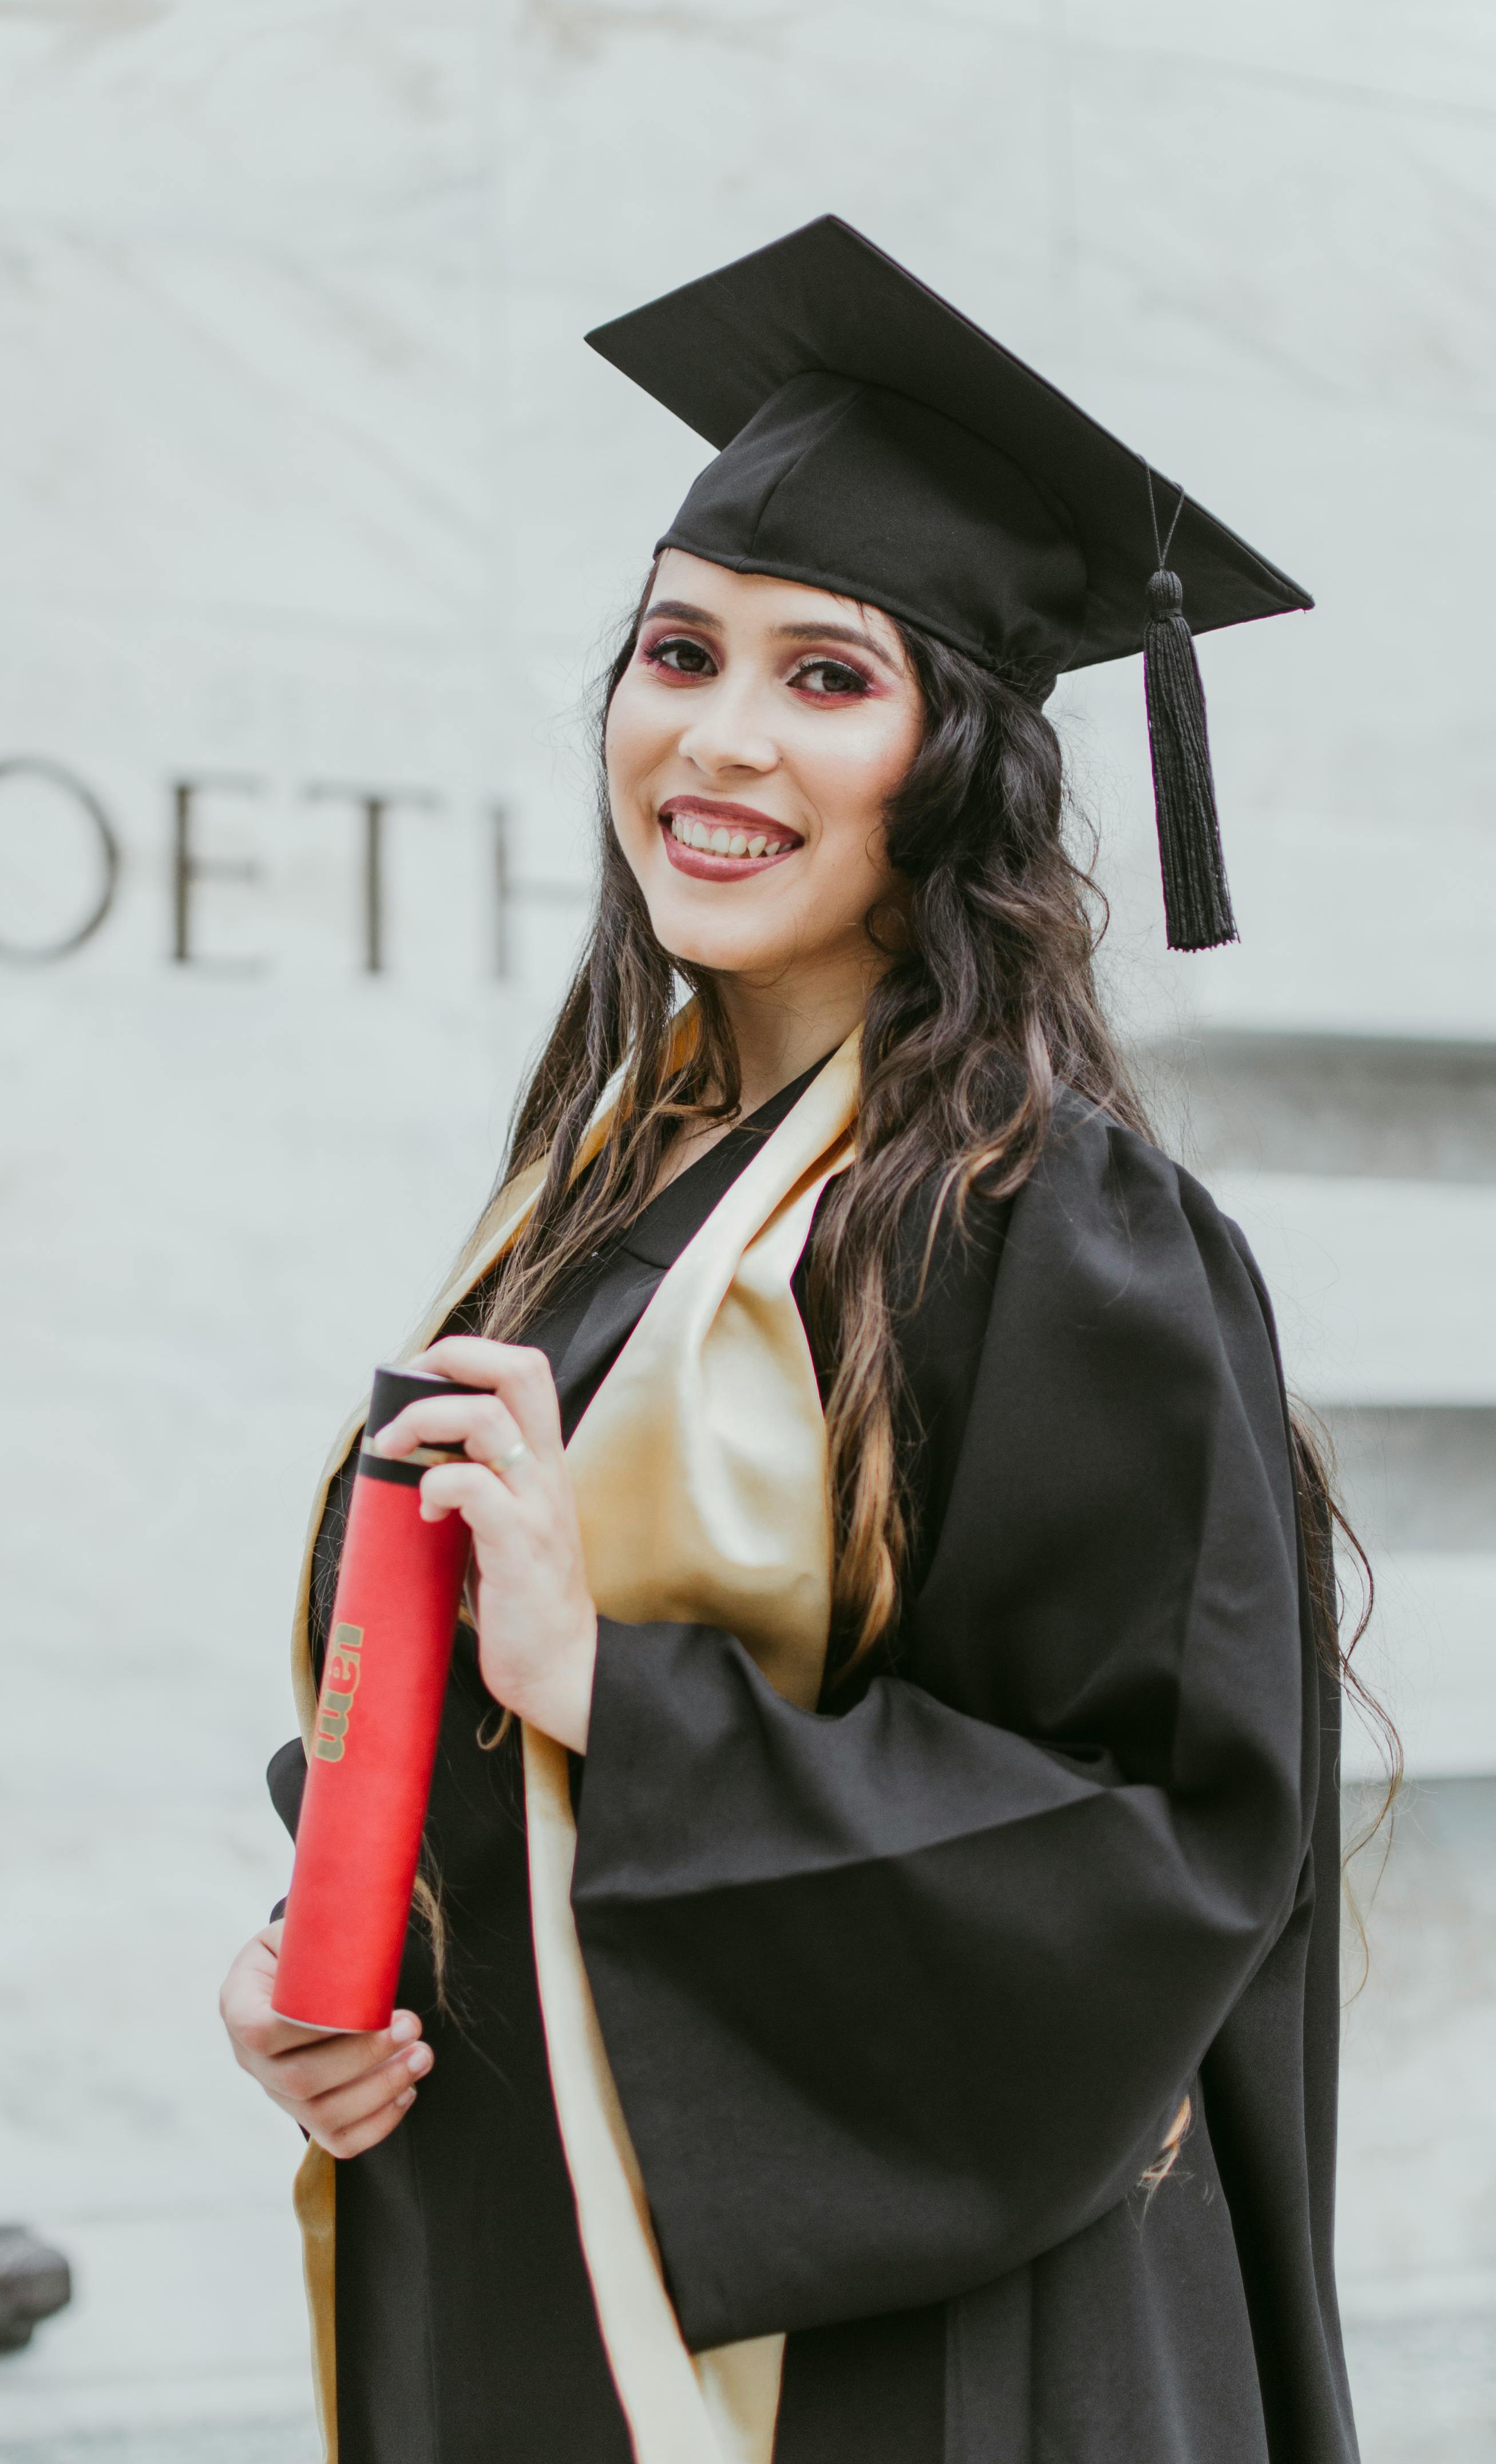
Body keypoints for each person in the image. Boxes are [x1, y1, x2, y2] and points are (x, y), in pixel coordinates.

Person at [220, 218, 1375, 2464]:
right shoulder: (606, 1197)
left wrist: (612, 1698)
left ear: (958, 758)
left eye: (827, 676)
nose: (719, 737)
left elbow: (1167, 1856)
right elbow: (453, 1728)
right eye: (678, 652)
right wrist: (317, 1971)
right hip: (537, 2261)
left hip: (901, 2366)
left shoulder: (1054, 1226)